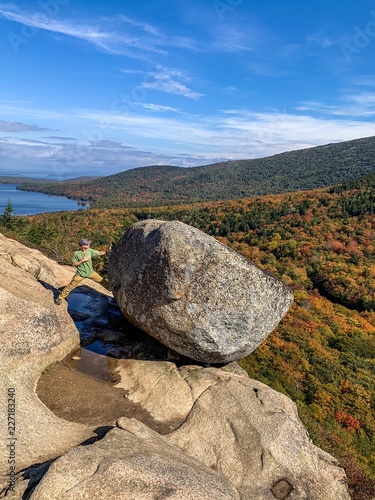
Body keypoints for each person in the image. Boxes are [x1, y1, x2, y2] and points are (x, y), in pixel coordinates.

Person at [54, 238, 111, 305]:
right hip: (80, 274)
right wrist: (82, 261)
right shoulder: (77, 253)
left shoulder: (89, 251)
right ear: (83, 246)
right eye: (87, 244)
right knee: (70, 286)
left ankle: (112, 289)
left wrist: (107, 251)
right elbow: (74, 264)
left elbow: (99, 253)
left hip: (91, 272)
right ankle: (59, 298)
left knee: (102, 281)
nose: (89, 244)